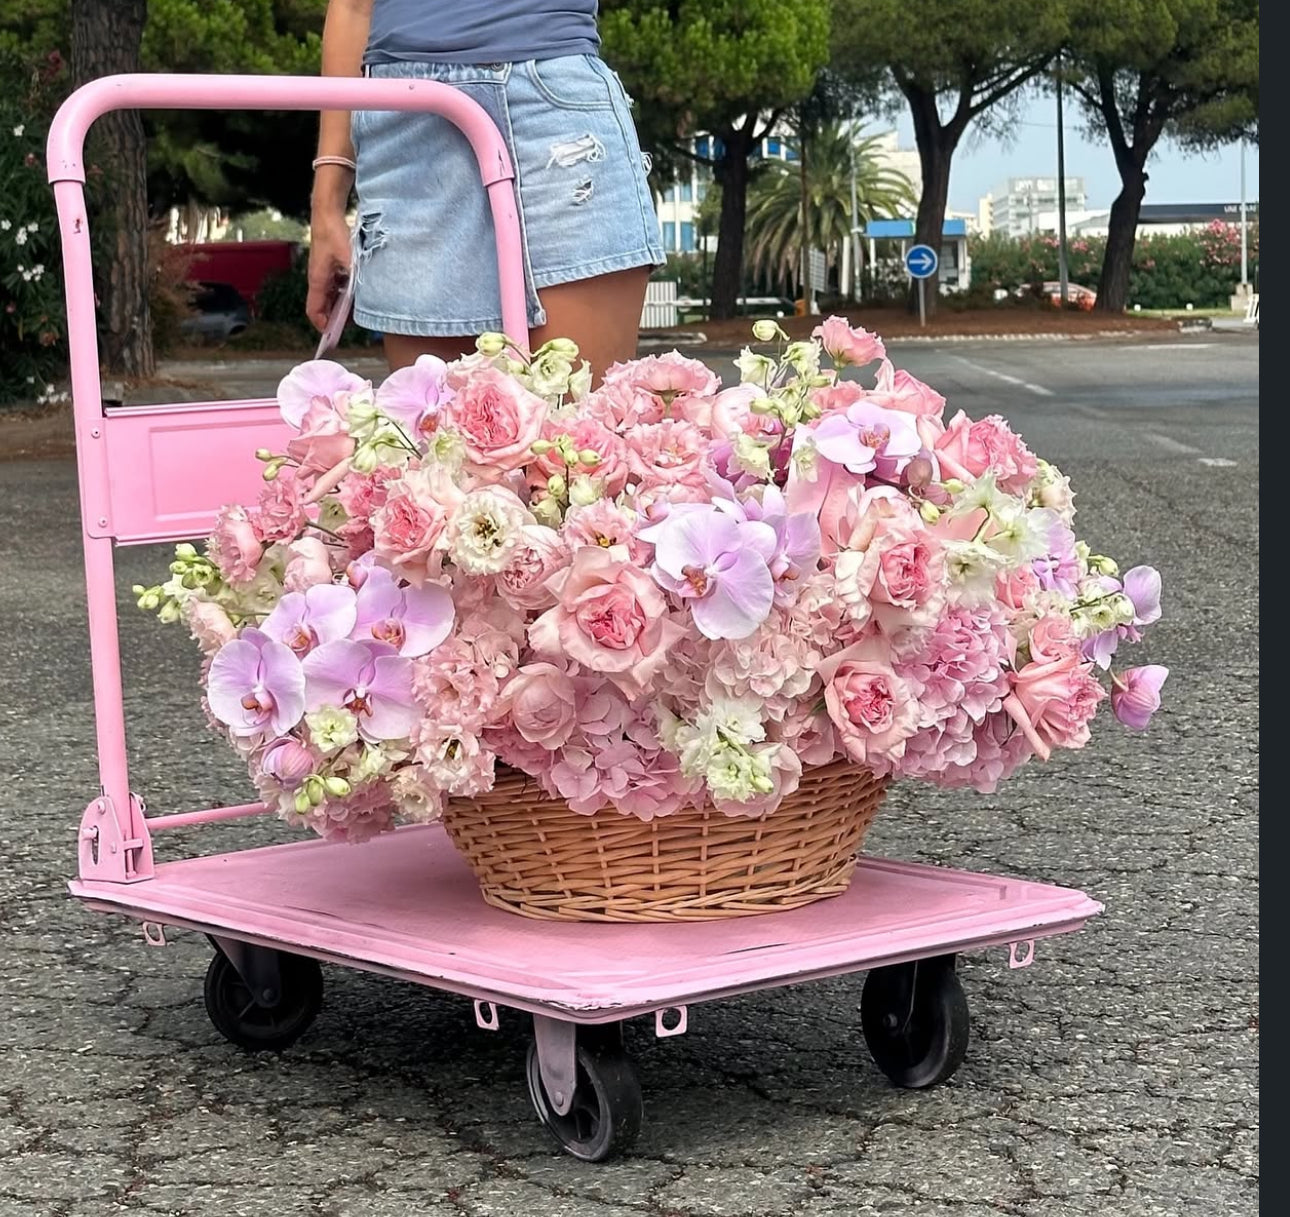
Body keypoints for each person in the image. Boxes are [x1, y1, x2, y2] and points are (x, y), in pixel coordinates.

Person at [307, 0, 665, 377]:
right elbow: (352, 7)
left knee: (577, 426)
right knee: (436, 430)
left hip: (550, 110)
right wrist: (326, 204)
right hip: (405, 116)